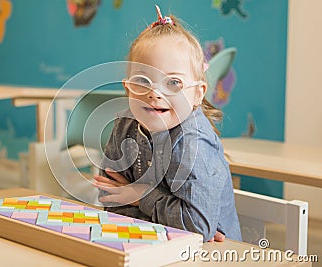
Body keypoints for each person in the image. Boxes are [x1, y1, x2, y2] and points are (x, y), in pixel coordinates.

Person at [92, 5, 241, 242]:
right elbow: (112, 198)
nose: (154, 93)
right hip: (149, 245)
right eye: (142, 81)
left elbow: (196, 227)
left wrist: (140, 196)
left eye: (173, 83)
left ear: (197, 94)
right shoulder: (124, 126)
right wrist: (167, 221)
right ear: (127, 86)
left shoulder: (193, 143)